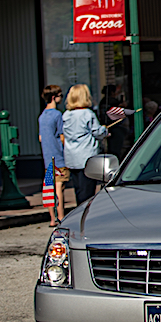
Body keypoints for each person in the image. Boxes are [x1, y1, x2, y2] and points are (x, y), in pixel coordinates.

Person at [62, 84, 109, 205]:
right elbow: (97, 132)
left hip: (72, 157)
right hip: (86, 156)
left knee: (78, 189)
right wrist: (104, 130)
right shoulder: (87, 114)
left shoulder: (66, 115)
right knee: (87, 192)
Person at [39, 85, 66, 226]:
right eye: (60, 95)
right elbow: (62, 136)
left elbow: (40, 138)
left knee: (50, 187)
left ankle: (52, 218)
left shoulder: (42, 117)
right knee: (59, 186)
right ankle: (61, 216)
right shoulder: (57, 115)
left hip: (47, 156)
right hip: (58, 155)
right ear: (54, 97)